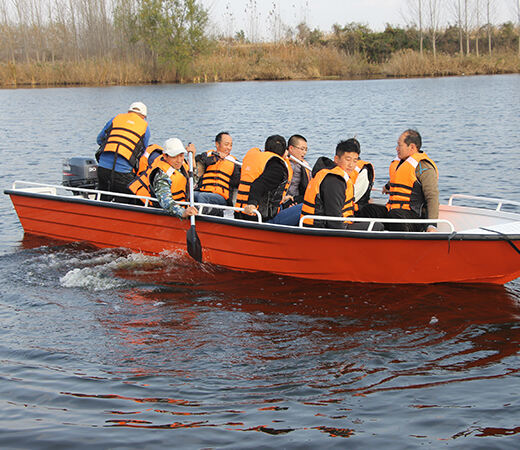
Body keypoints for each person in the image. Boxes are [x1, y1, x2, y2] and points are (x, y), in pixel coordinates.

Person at [357, 129, 439, 232]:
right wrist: (387, 187)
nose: (396, 148)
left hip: (413, 218)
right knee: (368, 210)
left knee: (395, 215)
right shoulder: (401, 162)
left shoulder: (424, 167)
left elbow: (432, 196)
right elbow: (400, 180)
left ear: (412, 147)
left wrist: (432, 225)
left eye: (399, 145)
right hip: (393, 212)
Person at [300, 139, 383, 230]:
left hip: (340, 223)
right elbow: (333, 218)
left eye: (355, 161)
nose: (351, 165)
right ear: (336, 159)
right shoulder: (334, 180)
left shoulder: (339, 176)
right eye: (347, 159)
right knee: (377, 226)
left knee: (375, 214)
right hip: (322, 229)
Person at [128, 137, 197, 219]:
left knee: (210, 199)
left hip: (184, 203)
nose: (179, 160)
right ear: (165, 156)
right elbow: (165, 201)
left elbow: (194, 183)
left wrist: (192, 159)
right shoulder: (161, 175)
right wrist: (183, 212)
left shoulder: (181, 166)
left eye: (181, 155)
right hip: (169, 210)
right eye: (174, 157)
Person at [96, 101, 151, 202]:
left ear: (129, 112)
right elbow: (142, 152)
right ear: (144, 116)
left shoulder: (115, 119)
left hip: (102, 168)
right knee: (129, 202)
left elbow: (99, 139)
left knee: (102, 199)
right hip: (123, 173)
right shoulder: (145, 127)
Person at [235, 135, 290, 222]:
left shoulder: (256, 158)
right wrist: (252, 204)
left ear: (265, 148)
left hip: (239, 213)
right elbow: (258, 185)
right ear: (284, 151)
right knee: (302, 207)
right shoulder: (277, 167)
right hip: (261, 217)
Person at [194, 132, 241, 215]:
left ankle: (201, 220)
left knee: (203, 197)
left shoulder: (234, 162)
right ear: (217, 144)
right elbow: (199, 162)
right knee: (191, 195)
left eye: (231, 145)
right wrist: (216, 157)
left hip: (221, 197)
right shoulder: (207, 155)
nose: (229, 148)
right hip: (203, 191)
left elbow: (237, 181)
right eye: (226, 144)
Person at [282, 134, 311, 208]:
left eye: (306, 150)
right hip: (284, 203)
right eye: (302, 149)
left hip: (298, 200)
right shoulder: (281, 164)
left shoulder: (305, 165)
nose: (304, 152)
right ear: (291, 148)